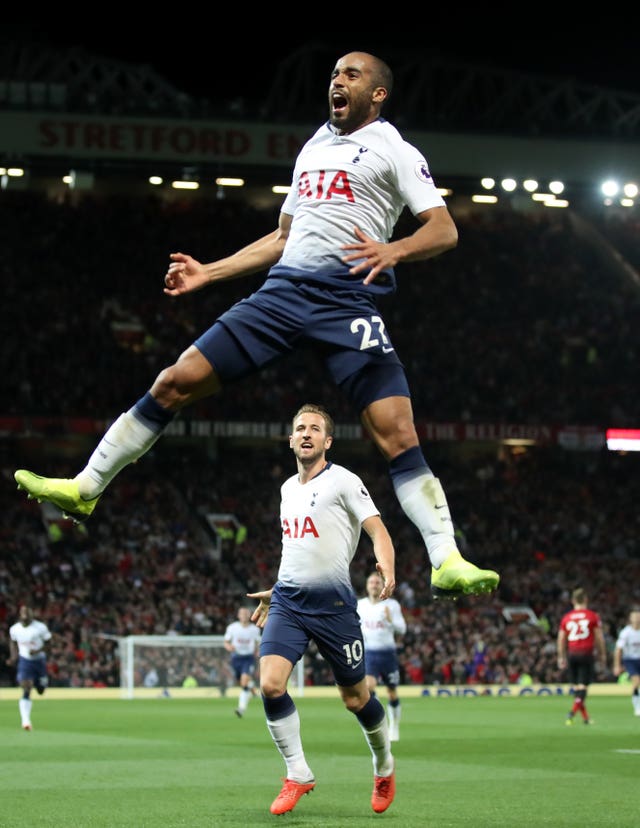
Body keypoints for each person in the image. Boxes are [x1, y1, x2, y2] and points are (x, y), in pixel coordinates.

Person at [13, 50, 499, 602]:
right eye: (335, 74)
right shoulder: (313, 148)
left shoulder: (395, 150)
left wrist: (395, 249)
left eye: (351, 75)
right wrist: (208, 273)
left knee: (399, 434)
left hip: (347, 303)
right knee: (175, 380)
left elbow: (443, 230)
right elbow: (282, 237)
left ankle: (446, 558)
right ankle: (86, 487)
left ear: (377, 94)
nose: (337, 81)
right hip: (283, 294)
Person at [247, 403, 396, 815]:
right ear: (291, 439)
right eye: (300, 428)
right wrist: (276, 590)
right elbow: (295, 550)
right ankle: (298, 773)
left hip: (333, 608)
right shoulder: (286, 490)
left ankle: (384, 764)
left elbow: (377, 528)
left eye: (315, 428)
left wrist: (386, 561)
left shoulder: (344, 481)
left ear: (327, 441)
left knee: (355, 698)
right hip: (289, 603)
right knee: (271, 684)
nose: (307, 433)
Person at [357, 570, 407, 741]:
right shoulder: (360, 605)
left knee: (392, 692)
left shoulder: (391, 605)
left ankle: (394, 726)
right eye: (371, 582)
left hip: (388, 653)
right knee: (369, 688)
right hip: (369, 652)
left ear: (383, 585)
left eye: (377, 582)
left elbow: (402, 629)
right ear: (367, 586)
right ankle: (381, 721)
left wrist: (389, 620)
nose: (374, 585)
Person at [557, 587, 606, 725]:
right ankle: (572, 713)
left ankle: (585, 718)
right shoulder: (592, 616)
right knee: (583, 686)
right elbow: (599, 638)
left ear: (573, 601)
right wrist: (602, 655)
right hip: (586, 653)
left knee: (578, 687)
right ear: (586, 599)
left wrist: (561, 656)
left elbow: (561, 639)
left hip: (572, 653)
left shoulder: (566, 617)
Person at [7, 605, 52, 731]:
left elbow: (49, 645)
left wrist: (38, 651)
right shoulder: (14, 629)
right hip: (25, 661)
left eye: (27, 613)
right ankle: (26, 721)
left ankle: (41, 683)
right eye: (23, 613)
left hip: (39, 661)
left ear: (32, 615)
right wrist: (13, 657)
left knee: (41, 690)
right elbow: (13, 642)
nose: (25, 616)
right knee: (26, 687)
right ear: (20, 615)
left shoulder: (40, 628)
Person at [223, 605, 261, 717]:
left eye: (246, 614)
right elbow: (226, 641)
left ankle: (241, 709)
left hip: (248, 658)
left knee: (244, 682)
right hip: (236, 658)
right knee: (242, 683)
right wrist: (229, 647)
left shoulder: (255, 629)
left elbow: (257, 643)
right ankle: (252, 688)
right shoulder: (232, 628)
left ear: (249, 615)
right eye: (242, 614)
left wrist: (258, 652)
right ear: (238, 615)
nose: (244, 616)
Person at [613, 609, 640, 717]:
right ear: (630, 619)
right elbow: (618, 649)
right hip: (630, 660)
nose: (637, 619)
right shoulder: (626, 632)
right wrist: (617, 665)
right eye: (635, 617)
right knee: (636, 681)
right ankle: (637, 706)